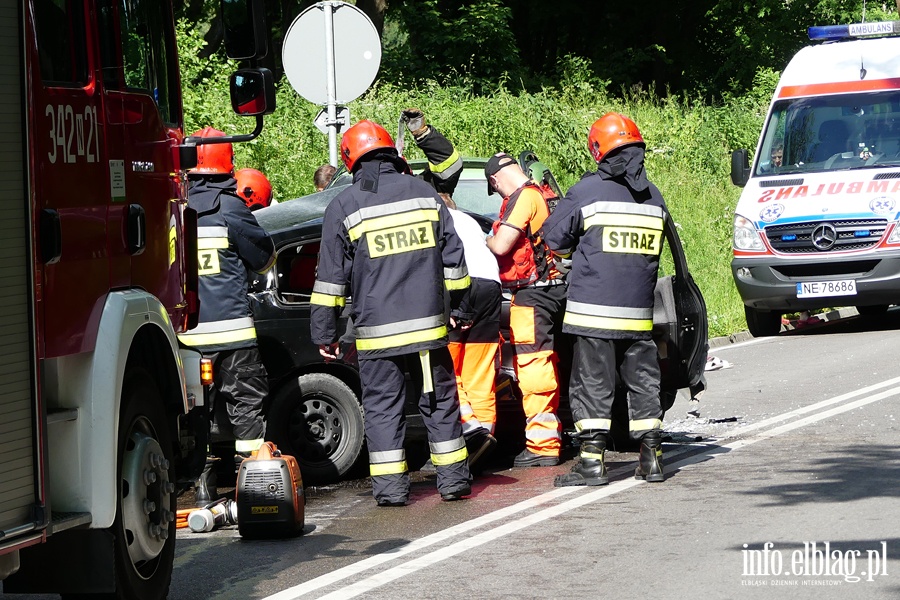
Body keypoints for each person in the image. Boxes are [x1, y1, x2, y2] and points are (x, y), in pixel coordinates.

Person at [310, 119, 473, 506]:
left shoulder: (344, 205)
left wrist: (324, 333)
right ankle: (452, 482)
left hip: (377, 333)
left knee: (382, 408)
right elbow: (454, 260)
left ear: (350, 160)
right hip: (427, 329)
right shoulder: (425, 193)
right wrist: (461, 308)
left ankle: (391, 491)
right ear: (390, 150)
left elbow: (331, 280)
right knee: (438, 402)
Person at [542, 112, 667, 487]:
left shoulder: (587, 190)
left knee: (593, 384)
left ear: (598, 150)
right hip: (638, 313)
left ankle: (592, 464)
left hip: (593, 312)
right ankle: (652, 459)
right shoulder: (654, 196)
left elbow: (554, 238)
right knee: (644, 382)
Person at [178, 127, 276, 502]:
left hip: (184, 340)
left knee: (192, 416)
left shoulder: (171, 207)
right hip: (233, 335)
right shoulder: (232, 208)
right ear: (227, 164)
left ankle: (202, 491)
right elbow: (264, 257)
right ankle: (253, 493)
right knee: (247, 410)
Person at [402, 108, 500, 470]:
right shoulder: (461, 216)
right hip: (490, 283)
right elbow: (449, 164)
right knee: (480, 366)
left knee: (446, 367)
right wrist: (423, 132)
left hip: (458, 283)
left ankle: (467, 428)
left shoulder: (414, 203)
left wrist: (422, 133)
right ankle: (485, 435)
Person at [485, 152, 566, 468]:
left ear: (496, 179)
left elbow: (503, 244)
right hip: (549, 289)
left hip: (532, 296)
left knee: (533, 366)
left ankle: (542, 445)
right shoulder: (541, 193)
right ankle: (551, 437)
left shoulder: (525, 197)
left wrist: (488, 241)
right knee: (544, 362)